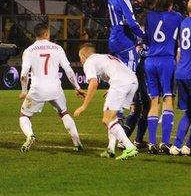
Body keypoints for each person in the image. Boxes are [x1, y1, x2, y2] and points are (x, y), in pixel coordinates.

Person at [18, 23, 83, 152]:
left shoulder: (29, 50)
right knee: (64, 113)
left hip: (37, 89)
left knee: (24, 116)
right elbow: (68, 70)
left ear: (35, 35)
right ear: (46, 33)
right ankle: (77, 143)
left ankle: (30, 136)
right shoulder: (57, 48)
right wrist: (77, 87)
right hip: (55, 88)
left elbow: (24, 74)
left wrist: (24, 91)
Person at [73, 43, 139, 160]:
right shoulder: (105, 57)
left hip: (120, 83)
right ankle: (110, 149)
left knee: (107, 119)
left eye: (80, 58)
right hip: (132, 82)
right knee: (112, 117)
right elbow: (118, 70)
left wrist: (83, 106)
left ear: (83, 56)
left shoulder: (89, 62)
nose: (81, 60)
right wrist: (110, 89)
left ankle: (129, 147)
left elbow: (93, 83)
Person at [144, 0, 183, 154]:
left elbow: (146, 38)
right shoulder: (177, 17)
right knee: (168, 99)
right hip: (166, 60)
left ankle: (152, 142)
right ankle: (165, 142)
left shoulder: (149, 16)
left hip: (150, 60)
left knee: (154, 101)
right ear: (170, 3)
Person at [170, 0, 191, 156]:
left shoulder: (183, 24)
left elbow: (179, 50)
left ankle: (176, 146)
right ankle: (188, 146)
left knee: (190, 111)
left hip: (180, 71)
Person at [107, 0, 145, 71]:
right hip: (124, 41)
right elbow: (132, 24)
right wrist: (145, 36)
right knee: (129, 78)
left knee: (116, 76)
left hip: (113, 40)